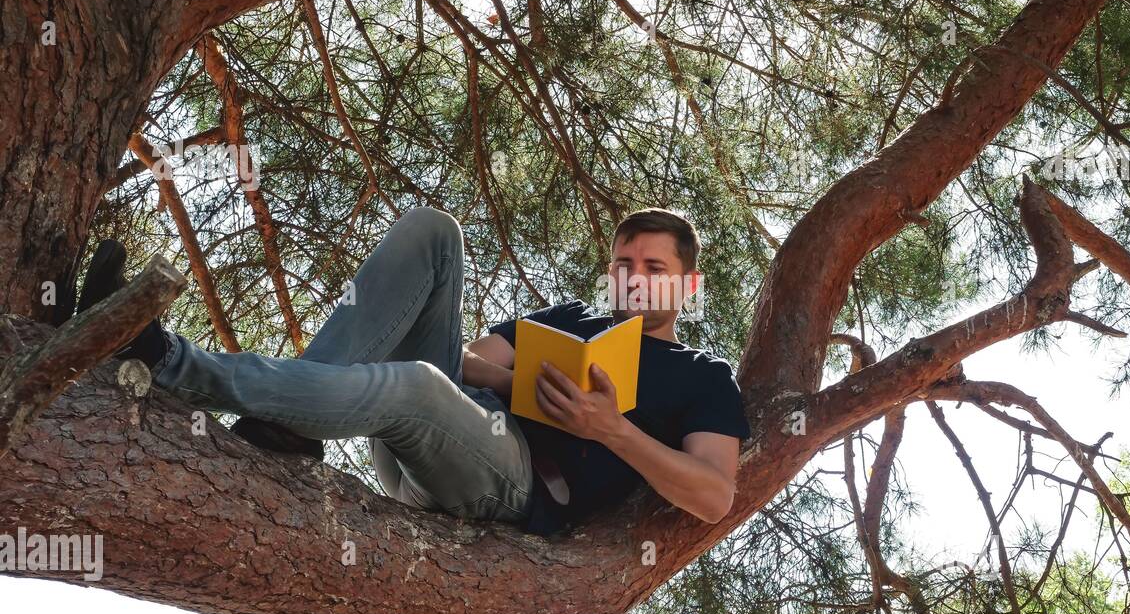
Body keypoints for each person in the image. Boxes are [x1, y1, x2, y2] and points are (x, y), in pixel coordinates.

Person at [76, 206, 750, 536]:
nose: (633, 279)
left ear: (687, 288)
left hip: (512, 488)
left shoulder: (703, 376)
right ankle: (285, 424)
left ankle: (163, 359)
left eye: (653, 269)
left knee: (420, 387)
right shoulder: (573, 317)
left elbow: (715, 496)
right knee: (435, 231)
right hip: (448, 427)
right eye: (623, 265)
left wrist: (610, 429)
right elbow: (472, 361)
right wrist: (521, 384)